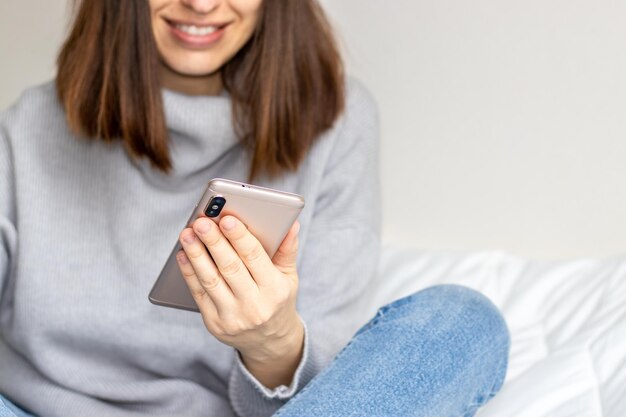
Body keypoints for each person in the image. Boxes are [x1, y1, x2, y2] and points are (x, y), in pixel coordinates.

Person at [0, 0, 510, 416]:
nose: (200, 5)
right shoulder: (29, 126)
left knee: (464, 320)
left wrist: (271, 341)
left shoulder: (340, 122)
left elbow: (328, 384)